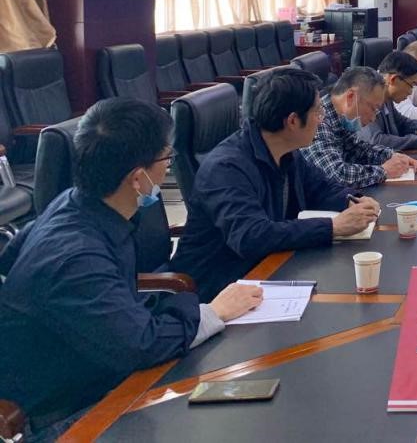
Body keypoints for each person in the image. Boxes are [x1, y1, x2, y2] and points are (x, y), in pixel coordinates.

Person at [0, 99, 263, 437]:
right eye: (166, 159)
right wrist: (213, 312)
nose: (168, 168)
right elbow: (142, 345)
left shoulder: (78, 205)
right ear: (138, 178)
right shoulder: (76, 257)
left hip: (101, 367)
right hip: (67, 410)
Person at [171, 69, 382, 301]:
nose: (321, 120)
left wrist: (352, 200)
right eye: (317, 112)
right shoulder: (226, 168)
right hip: (217, 291)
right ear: (292, 121)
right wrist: (332, 227)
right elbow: (251, 236)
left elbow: (320, 188)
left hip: (270, 269)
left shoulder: (287, 151)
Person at [298, 66, 417, 188]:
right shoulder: (318, 121)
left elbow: (357, 150)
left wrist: (391, 155)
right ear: (351, 97)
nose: (373, 118)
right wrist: (384, 171)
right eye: (373, 109)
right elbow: (336, 175)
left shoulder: (340, 116)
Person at [360, 51, 417, 151]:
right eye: (411, 85)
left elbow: (402, 123)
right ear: (394, 79)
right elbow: (376, 141)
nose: (410, 92)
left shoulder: (386, 98)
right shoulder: (366, 97)